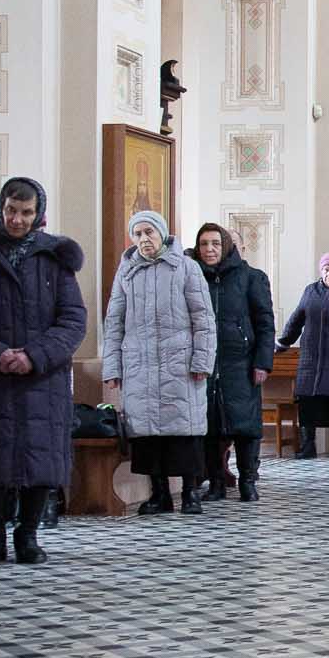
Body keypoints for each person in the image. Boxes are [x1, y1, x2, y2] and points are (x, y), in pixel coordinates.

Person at [0, 176, 87, 567]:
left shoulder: (54, 257)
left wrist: (33, 355)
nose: (17, 220)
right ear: (1, 208)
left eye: (26, 212)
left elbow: (73, 320)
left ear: (38, 214)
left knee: (39, 455)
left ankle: (28, 536)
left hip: (40, 378)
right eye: (11, 210)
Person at [102, 210, 216, 515]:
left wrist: (202, 361)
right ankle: (159, 494)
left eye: (149, 232)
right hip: (139, 364)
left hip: (180, 364)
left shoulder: (186, 267)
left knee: (185, 431)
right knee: (147, 434)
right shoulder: (127, 271)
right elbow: (114, 322)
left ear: (161, 233)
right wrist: (112, 367)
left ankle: (190, 492)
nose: (143, 239)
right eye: (137, 234)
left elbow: (204, 319)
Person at [191, 222, 274, 502]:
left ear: (226, 246)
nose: (210, 249)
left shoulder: (251, 277)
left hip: (241, 362)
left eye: (215, 243)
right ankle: (215, 482)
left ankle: (248, 481)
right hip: (205, 363)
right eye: (204, 244)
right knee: (210, 427)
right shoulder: (193, 277)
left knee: (245, 426)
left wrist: (262, 362)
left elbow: (265, 323)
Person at [278, 255, 329, 457]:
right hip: (310, 357)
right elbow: (297, 318)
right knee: (307, 400)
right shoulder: (310, 291)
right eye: (326, 270)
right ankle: (308, 445)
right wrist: (284, 341)